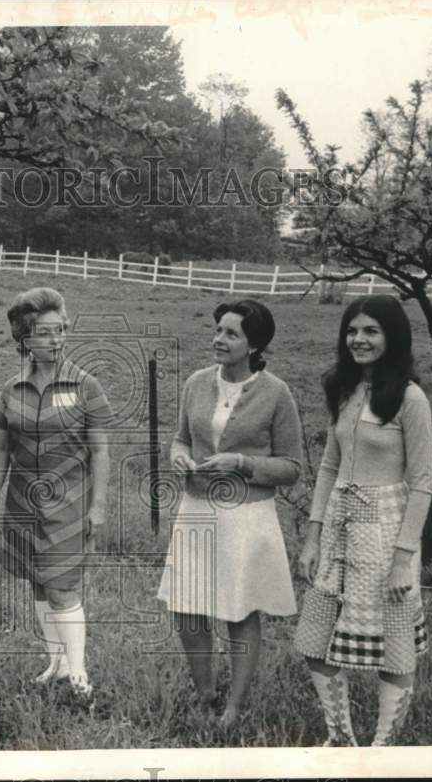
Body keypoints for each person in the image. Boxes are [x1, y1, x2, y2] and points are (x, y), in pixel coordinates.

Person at [294, 295, 432, 747]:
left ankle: (382, 747)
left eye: (371, 330)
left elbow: (424, 483)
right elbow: (331, 467)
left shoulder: (410, 398)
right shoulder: (344, 389)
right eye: (353, 331)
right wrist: (313, 537)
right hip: (338, 526)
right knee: (315, 638)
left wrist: (402, 559)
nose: (359, 339)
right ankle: (340, 737)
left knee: (393, 647)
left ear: (392, 337)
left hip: (386, 530)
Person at [157, 298, 303, 728]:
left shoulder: (276, 393)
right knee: (186, 606)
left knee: (239, 610)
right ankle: (205, 693)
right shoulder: (197, 382)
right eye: (218, 330)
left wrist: (242, 463)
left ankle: (234, 708)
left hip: (245, 517)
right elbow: (180, 438)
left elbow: (292, 468)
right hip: (197, 510)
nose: (219, 339)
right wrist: (179, 457)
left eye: (231, 333)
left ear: (254, 344)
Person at [0, 287, 111, 696]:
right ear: (24, 338)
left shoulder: (85, 385)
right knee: (38, 584)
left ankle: (79, 676)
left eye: (61, 331)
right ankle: (56, 664)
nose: (56, 340)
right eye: (45, 332)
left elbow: (100, 449)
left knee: (61, 587)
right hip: (22, 504)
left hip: (70, 505)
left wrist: (98, 507)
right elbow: (2, 447)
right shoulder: (11, 389)